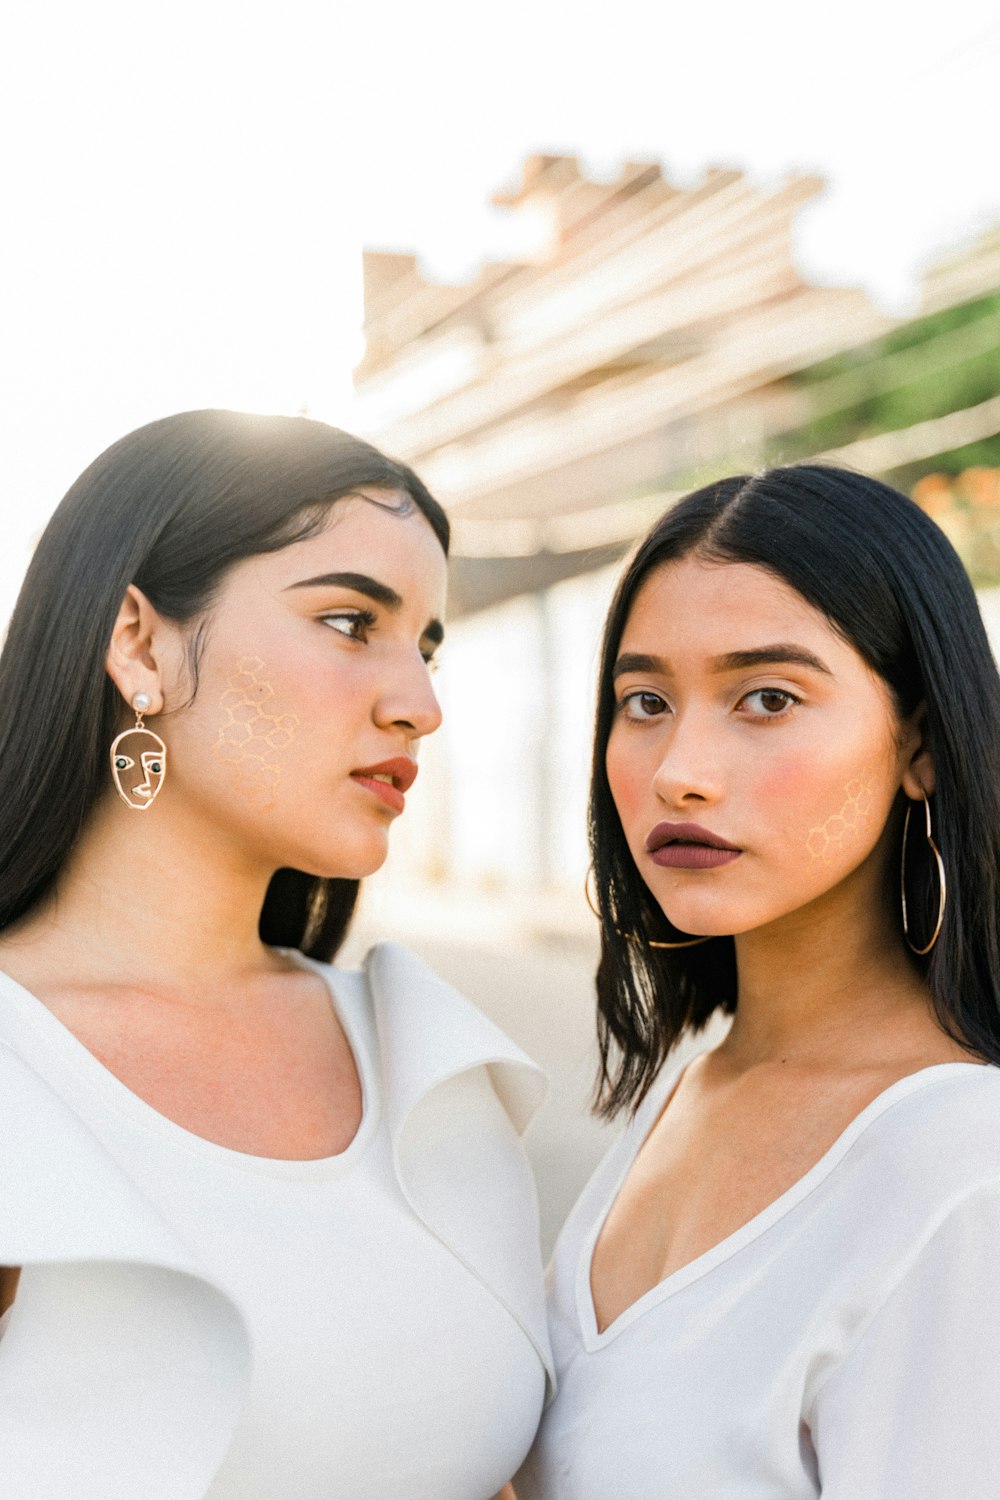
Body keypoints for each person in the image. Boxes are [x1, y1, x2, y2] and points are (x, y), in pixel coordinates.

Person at [0, 410, 551, 1500]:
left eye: (428, 644)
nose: (422, 706)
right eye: (351, 622)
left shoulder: (431, 1063)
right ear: (138, 643)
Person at [518, 465, 1000, 1498]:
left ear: (916, 740)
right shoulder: (688, 1081)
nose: (679, 768)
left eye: (767, 698)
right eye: (643, 700)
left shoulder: (966, 1174)